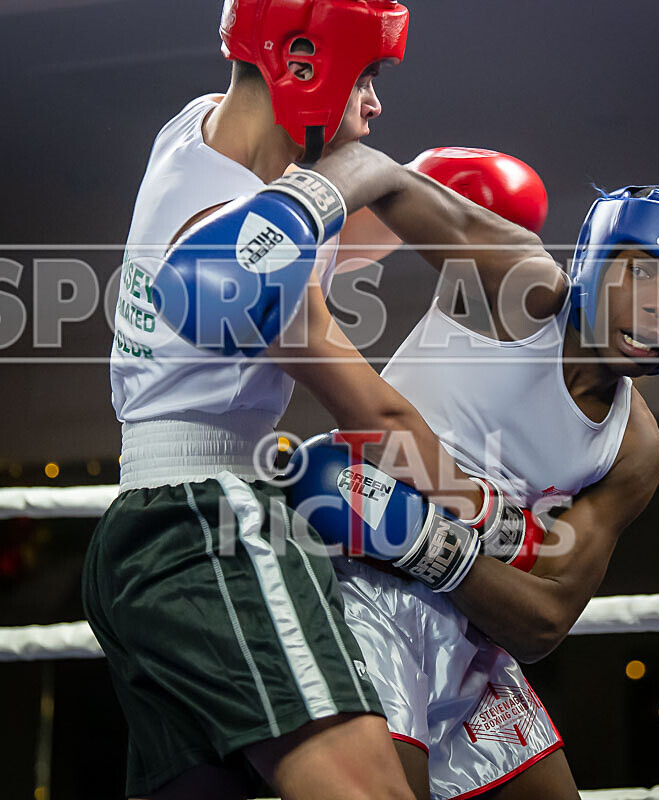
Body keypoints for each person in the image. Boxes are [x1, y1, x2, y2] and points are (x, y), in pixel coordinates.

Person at [81, 2, 523, 798]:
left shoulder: (194, 130)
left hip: (138, 541)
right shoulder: (238, 262)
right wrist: (489, 515)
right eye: (371, 76)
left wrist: (407, 185)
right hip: (213, 524)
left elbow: (311, 238)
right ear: (305, 63)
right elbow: (378, 416)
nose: (377, 103)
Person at [286, 168, 659, 798]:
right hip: (361, 591)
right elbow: (384, 177)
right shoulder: (517, 285)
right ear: (592, 261)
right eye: (639, 271)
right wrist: (287, 211)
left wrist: (431, 546)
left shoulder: (633, 448)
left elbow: (544, 623)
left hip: (472, 630)